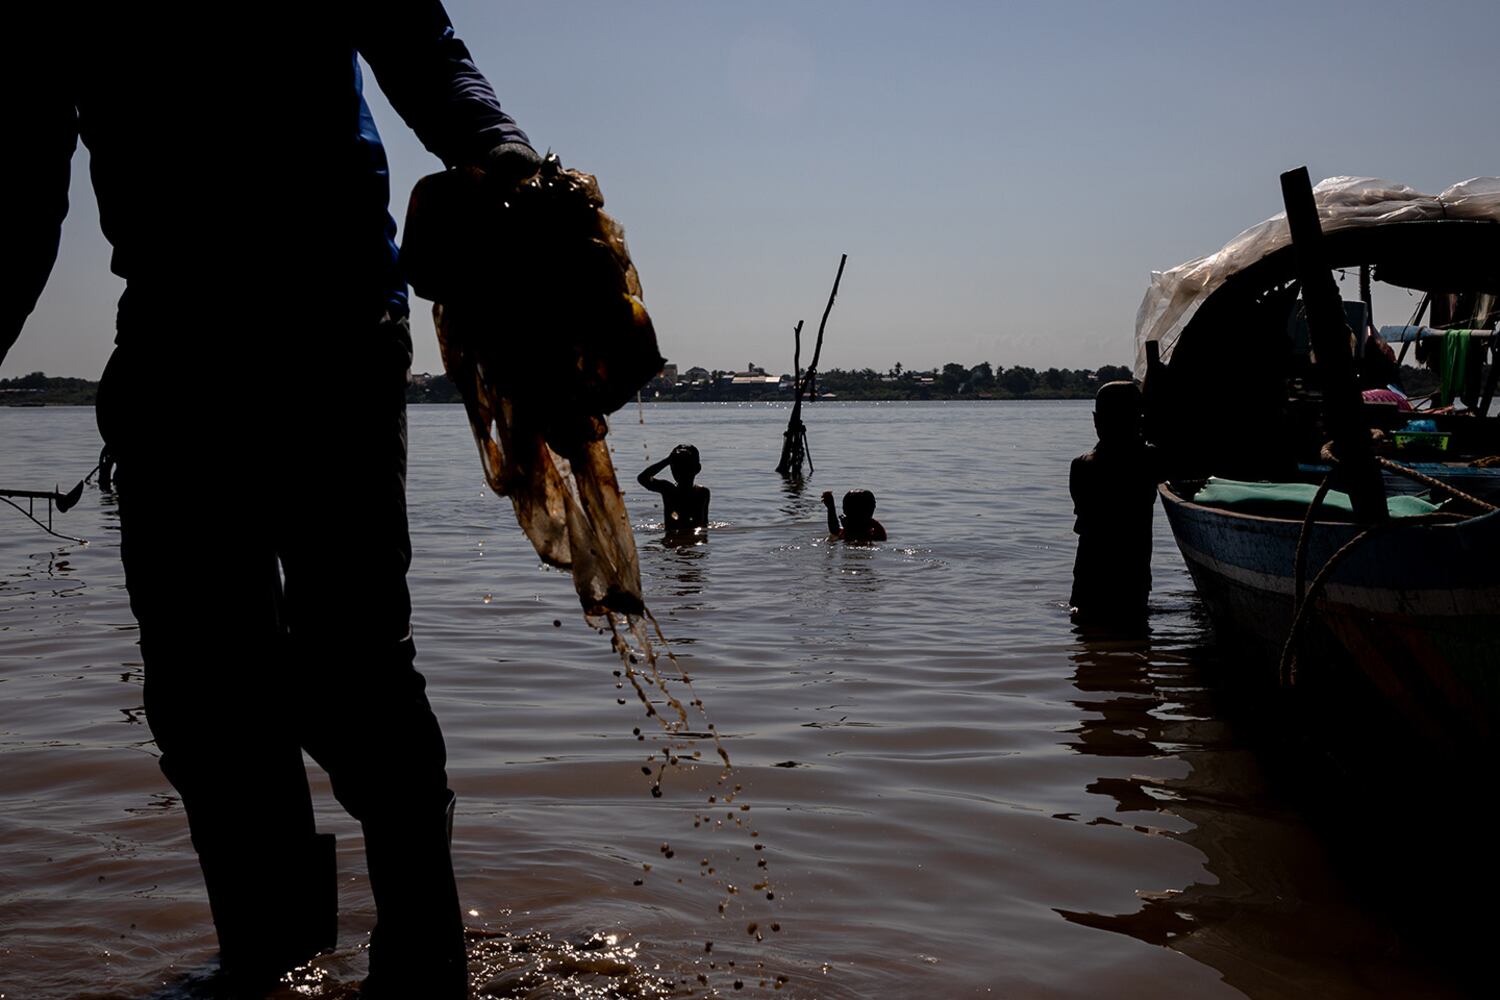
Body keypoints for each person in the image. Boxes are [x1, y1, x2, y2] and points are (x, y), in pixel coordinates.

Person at [3, 5, 542, 996]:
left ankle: (425, 964)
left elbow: (420, 45)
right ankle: (272, 958)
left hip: (334, 323)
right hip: (171, 338)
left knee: (354, 668)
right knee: (202, 686)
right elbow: (21, 181)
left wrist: (497, 146)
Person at [1069, 381, 1158, 626]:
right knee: (1134, 636)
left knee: (1086, 637)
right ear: (1138, 421)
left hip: (1089, 581)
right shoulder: (1148, 461)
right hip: (1131, 581)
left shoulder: (1081, 466)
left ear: (1096, 421)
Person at [637, 444, 710, 536]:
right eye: (676, 467)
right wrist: (668, 460)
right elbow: (643, 478)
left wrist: (668, 461)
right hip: (680, 539)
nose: (680, 471)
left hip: (681, 540)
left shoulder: (702, 493)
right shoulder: (668, 489)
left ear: (697, 469)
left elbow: (705, 524)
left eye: (685, 467)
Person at [822, 489, 887, 542]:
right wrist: (831, 508)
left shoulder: (851, 527)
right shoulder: (873, 527)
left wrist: (831, 508)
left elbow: (835, 531)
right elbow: (835, 530)